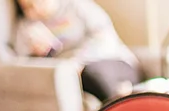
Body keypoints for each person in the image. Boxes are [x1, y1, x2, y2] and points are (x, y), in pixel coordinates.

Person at [13, 0, 142, 102]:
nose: (35, 9)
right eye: (27, 7)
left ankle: (126, 101)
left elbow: (105, 40)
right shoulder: (28, 27)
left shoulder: (77, 6)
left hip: (110, 60)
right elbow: (23, 64)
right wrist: (42, 54)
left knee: (91, 74)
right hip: (70, 75)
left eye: (39, 1)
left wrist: (77, 63)